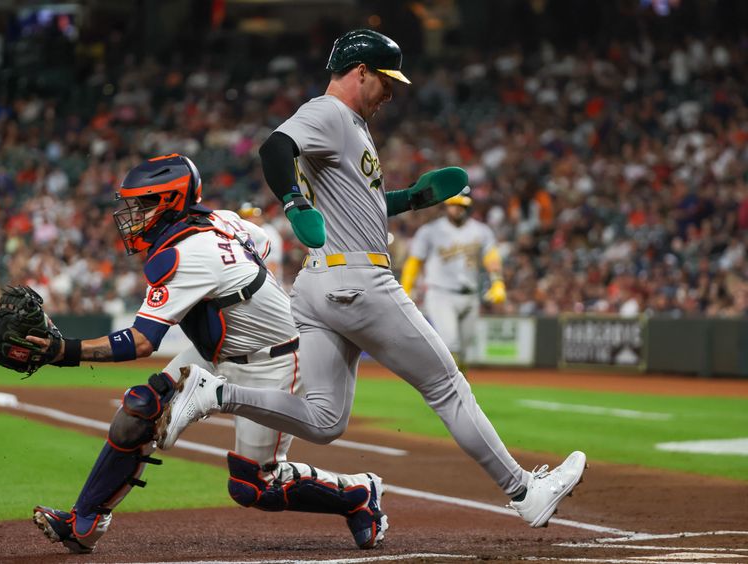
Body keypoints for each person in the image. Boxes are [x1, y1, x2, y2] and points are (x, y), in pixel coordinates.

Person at [157, 29, 587, 531]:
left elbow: (361, 205)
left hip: (319, 286)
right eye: (386, 80)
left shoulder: (351, 125)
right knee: (447, 388)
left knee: (324, 420)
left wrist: (412, 200)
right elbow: (275, 148)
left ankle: (214, 395)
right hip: (358, 279)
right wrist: (293, 201)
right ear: (360, 71)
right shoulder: (331, 112)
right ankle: (524, 492)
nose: (392, 91)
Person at [27, 153, 388, 554]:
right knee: (141, 407)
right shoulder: (221, 219)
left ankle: (357, 493)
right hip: (219, 351)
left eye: (142, 204)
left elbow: (142, 342)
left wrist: (63, 351)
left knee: (253, 485)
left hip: (273, 360)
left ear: (170, 202)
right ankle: (84, 521)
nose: (130, 215)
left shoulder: (185, 254)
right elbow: (263, 245)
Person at [400, 189, 507, 374]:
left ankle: (460, 390)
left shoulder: (481, 231)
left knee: (464, 353)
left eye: (461, 206)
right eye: (454, 205)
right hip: (441, 293)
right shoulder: (430, 230)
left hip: (470, 295)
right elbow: (414, 261)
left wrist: (497, 282)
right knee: (451, 345)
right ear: (446, 206)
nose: (457, 210)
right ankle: (452, 393)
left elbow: (492, 258)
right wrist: (405, 289)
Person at [237, 202, 284, 286]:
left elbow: (272, 265)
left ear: (261, 216)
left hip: (267, 285)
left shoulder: (269, 232)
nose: (248, 219)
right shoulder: (242, 234)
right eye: (245, 216)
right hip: (248, 284)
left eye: (252, 215)